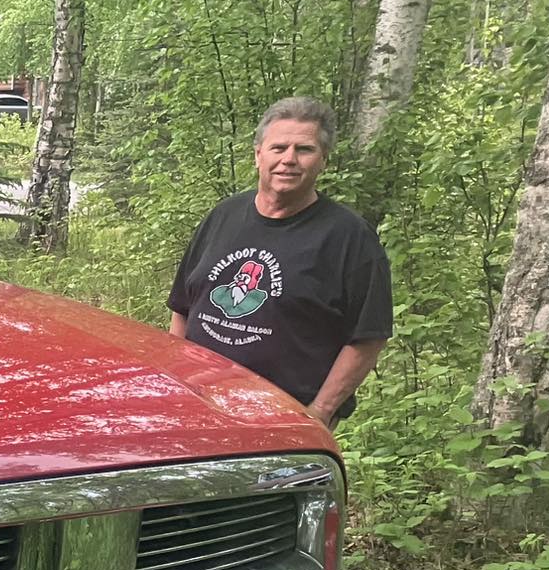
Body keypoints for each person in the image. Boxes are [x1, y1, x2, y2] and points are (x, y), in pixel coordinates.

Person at [168, 97, 392, 428]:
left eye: (304, 149)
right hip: (200, 406)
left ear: (323, 160)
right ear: (258, 154)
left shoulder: (349, 236)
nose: (289, 159)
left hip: (282, 421)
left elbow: (368, 337)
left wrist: (319, 412)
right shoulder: (223, 216)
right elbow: (183, 308)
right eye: (278, 148)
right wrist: (177, 382)